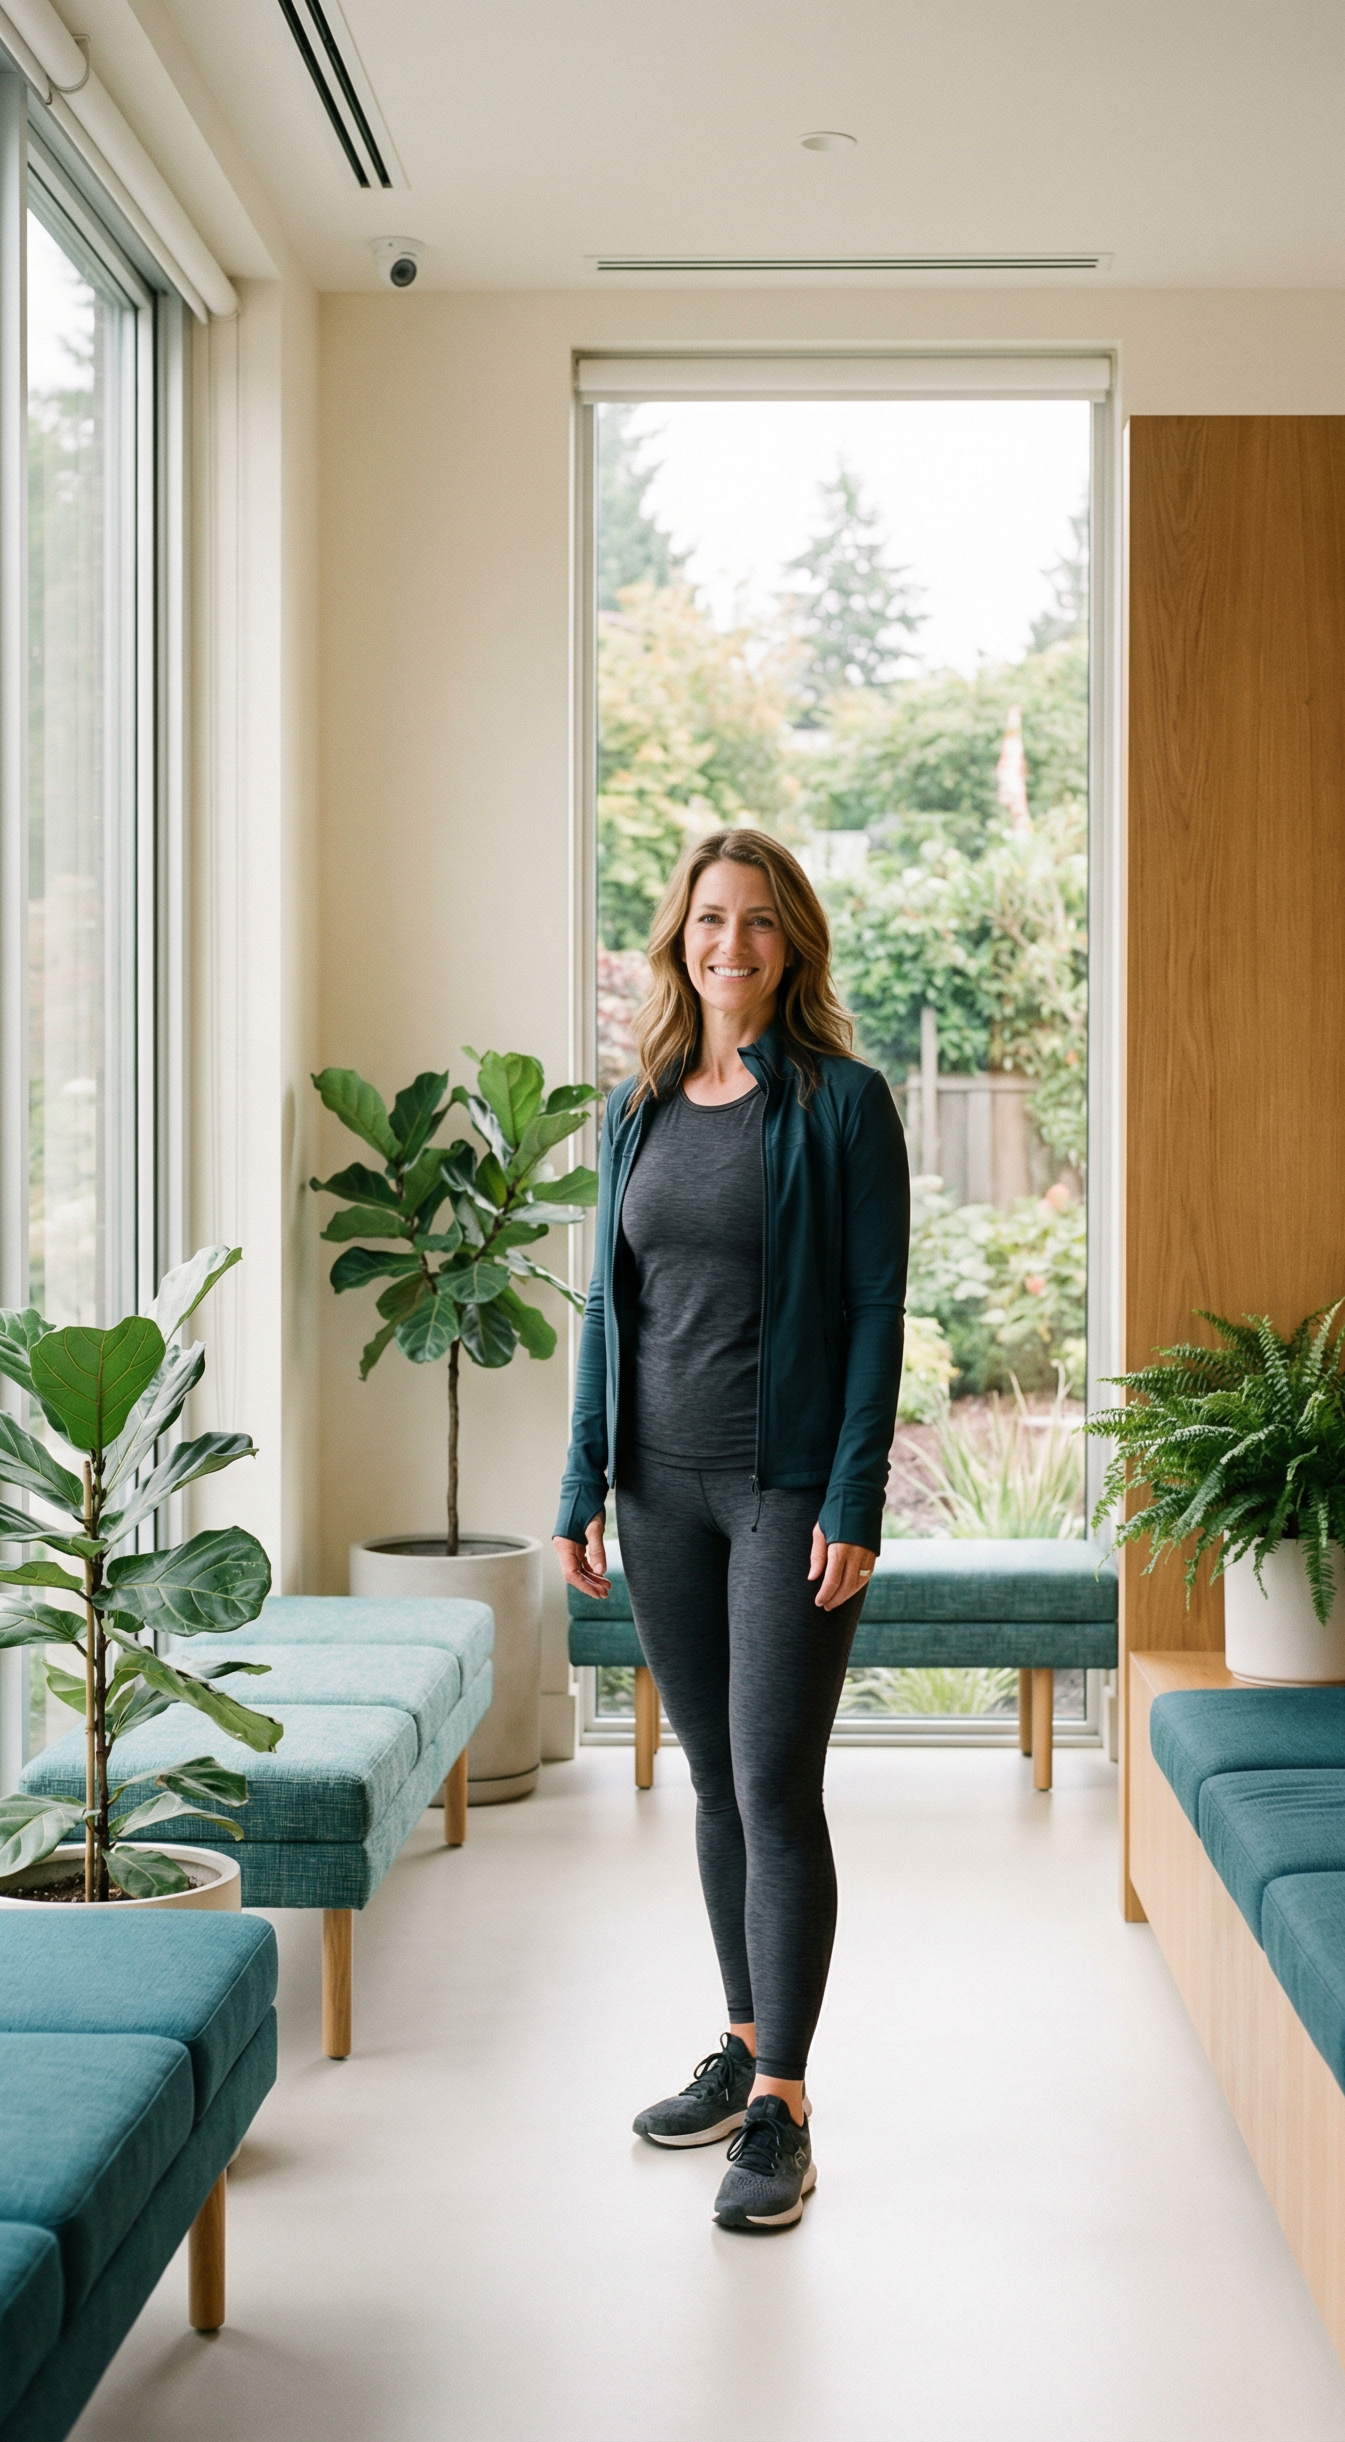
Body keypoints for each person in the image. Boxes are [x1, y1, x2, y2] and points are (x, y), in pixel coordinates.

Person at [554, 825, 909, 2234]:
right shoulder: (637, 1107)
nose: (732, 946)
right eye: (710, 920)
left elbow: (880, 1310)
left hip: (780, 1495)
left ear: (793, 942)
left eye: (760, 922)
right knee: (711, 1782)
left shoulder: (841, 1104)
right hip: (660, 1491)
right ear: (678, 939)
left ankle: (786, 2107)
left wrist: (855, 1496)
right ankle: (742, 2042)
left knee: (774, 1785)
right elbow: (607, 1305)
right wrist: (584, 1478)